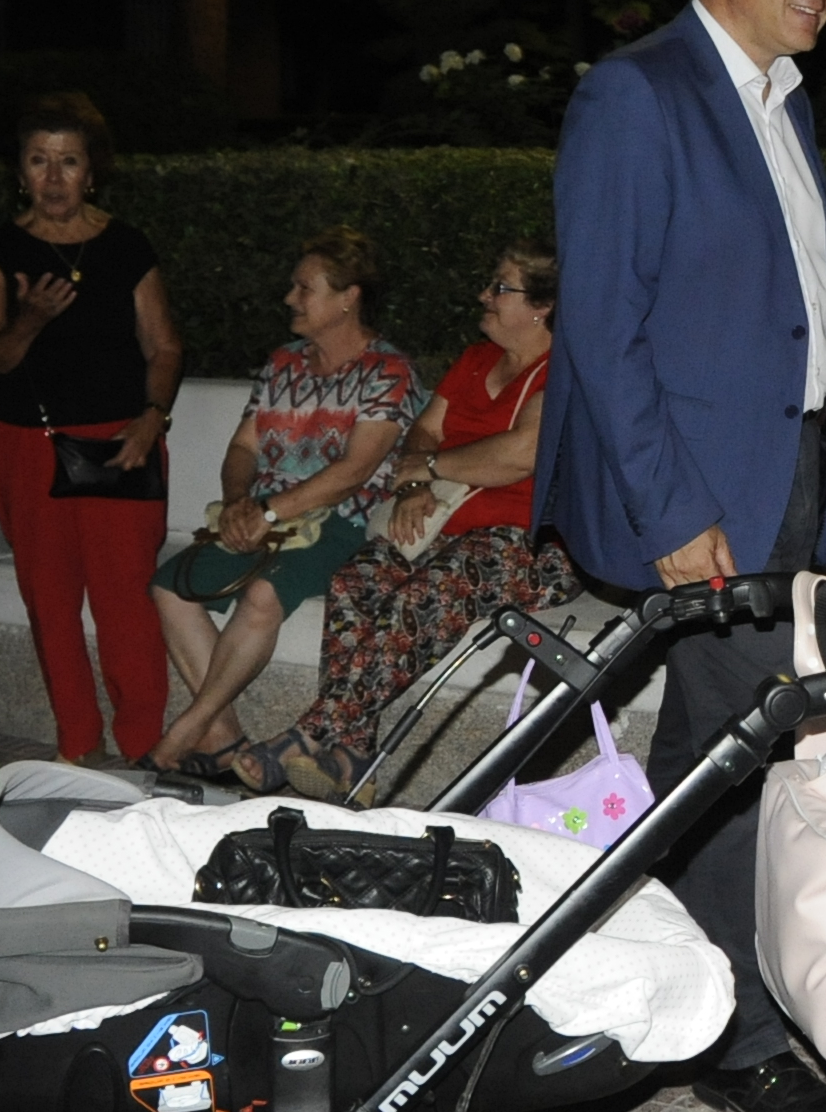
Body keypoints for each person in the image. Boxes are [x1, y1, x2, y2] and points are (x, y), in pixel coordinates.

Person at [535, 0, 826, 1112]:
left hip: (789, 471)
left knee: (714, 748)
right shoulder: (639, 93)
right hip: (705, 488)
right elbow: (602, 327)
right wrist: (675, 511)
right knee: (736, 753)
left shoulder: (785, 100)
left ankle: (657, 974)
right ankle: (737, 1040)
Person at [222, 242, 580, 799]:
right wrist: (414, 484)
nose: (483, 296)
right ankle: (352, 758)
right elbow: (424, 431)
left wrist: (430, 468)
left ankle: (308, 734)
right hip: (440, 528)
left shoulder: (560, 371)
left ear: (542, 306)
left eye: (500, 288)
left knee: (425, 592)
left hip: (528, 545)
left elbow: (518, 455)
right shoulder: (475, 360)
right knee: (355, 579)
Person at [145, 228, 420, 777]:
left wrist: (267, 512)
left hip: (344, 521)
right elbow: (243, 448)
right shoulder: (284, 363)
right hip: (265, 515)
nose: (290, 298)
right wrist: (237, 502)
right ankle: (223, 740)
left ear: (349, 297)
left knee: (264, 594)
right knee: (171, 586)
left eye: (304, 288)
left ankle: (186, 730)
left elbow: (355, 471)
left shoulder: (387, 372)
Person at [0, 94, 184, 764]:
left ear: (92, 172)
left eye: (69, 161)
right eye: (40, 161)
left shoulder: (126, 246)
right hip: (27, 443)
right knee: (52, 601)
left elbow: (165, 347)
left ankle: (143, 747)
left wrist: (151, 418)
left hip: (120, 441)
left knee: (126, 600)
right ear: (21, 173)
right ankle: (76, 744)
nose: (55, 177)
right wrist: (31, 319)